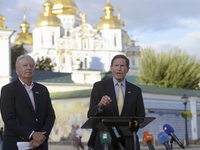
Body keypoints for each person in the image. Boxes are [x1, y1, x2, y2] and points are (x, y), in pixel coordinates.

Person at [87, 54, 145, 149]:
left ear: (127, 69)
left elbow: (141, 117)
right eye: (116, 65)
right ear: (111, 68)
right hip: (104, 140)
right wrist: (100, 106)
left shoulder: (136, 91)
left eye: (122, 66)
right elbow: (90, 115)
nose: (119, 69)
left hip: (128, 141)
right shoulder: (99, 87)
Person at [0, 54, 55, 150]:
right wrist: (32, 134)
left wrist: (42, 137)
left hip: (40, 145)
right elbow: (9, 117)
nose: (29, 68)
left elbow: (50, 115)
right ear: (17, 69)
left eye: (31, 66)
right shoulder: (8, 90)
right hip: (16, 144)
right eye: (25, 65)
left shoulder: (42, 90)